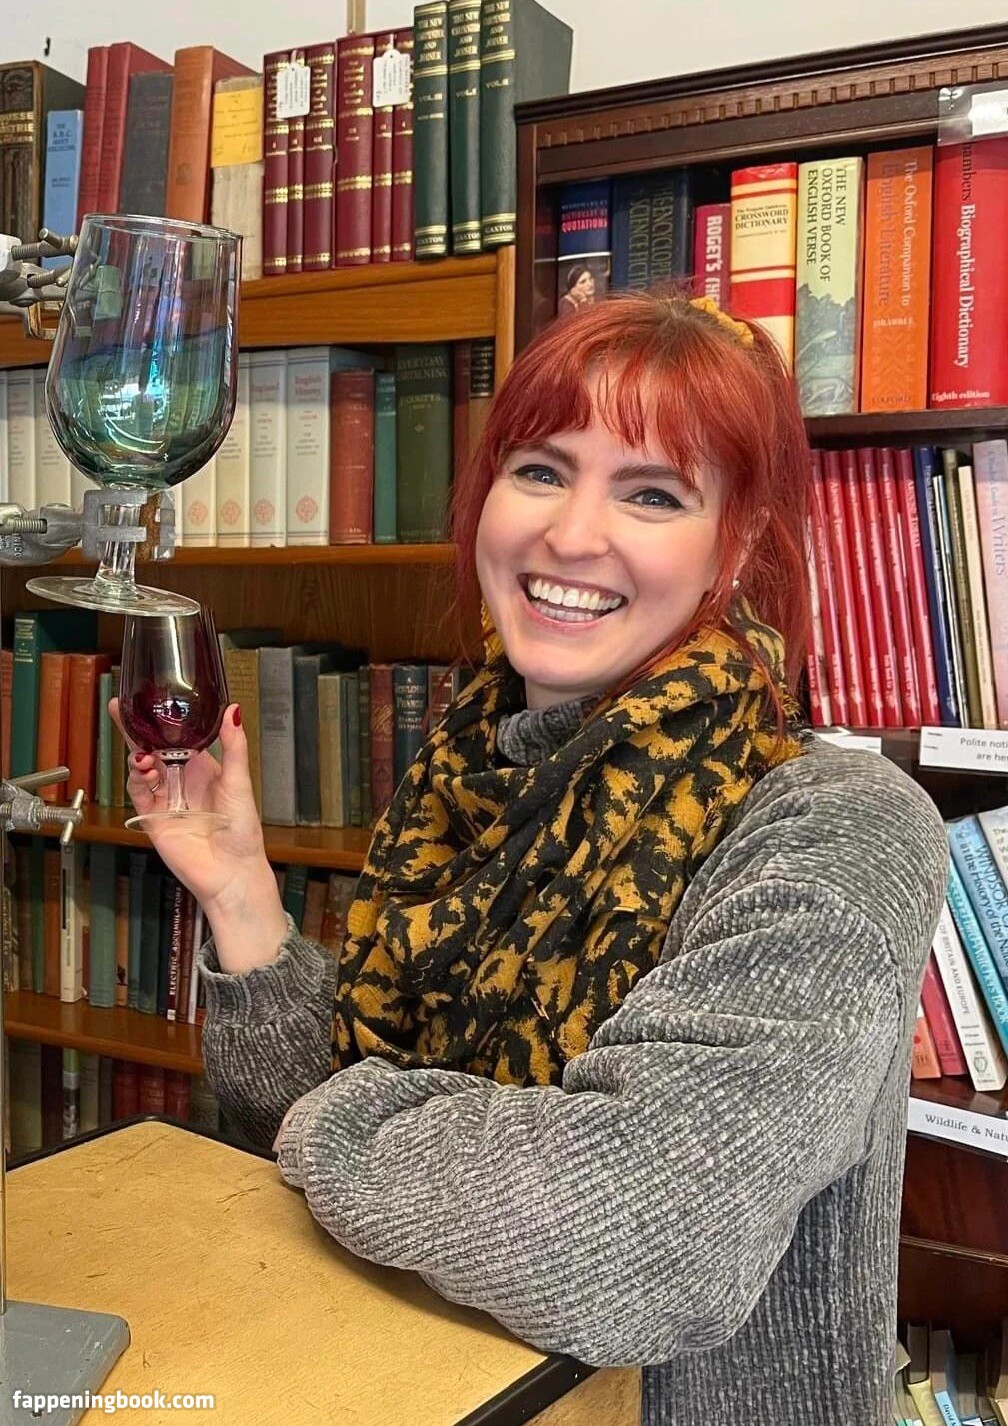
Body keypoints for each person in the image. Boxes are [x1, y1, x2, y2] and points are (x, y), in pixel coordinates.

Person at [113, 291, 948, 1426]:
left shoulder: (838, 825)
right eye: (542, 471)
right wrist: (242, 894)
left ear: (738, 542)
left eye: (652, 493)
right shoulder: (468, 768)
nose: (570, 535)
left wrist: (337, 1126)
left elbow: (645, 1240)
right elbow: (344, 1124)